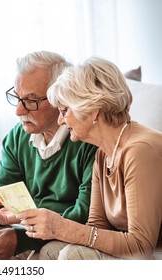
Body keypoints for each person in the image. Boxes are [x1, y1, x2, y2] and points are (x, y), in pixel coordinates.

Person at [0, 51, 98, 260]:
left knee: (48, 253)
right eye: (17, 97)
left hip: (67, 233)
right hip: (31, 231)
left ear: (60, 97)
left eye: (31, 100)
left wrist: (22, 238)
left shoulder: (87, 140)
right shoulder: (18, 137)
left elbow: (85, 215)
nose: (19, 111)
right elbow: (1, 204)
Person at [17, 56, 162, 259]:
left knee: (73, 255)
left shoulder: (140, 151)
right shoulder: (103, 153)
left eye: (64, 110)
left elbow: (140, 245)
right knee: (51, 252)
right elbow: (96, 226)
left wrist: (62, 227)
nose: (60, 120)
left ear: (93, 110)